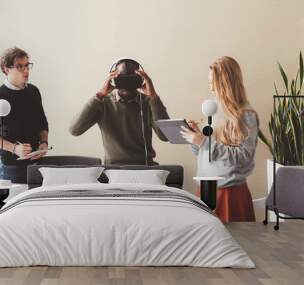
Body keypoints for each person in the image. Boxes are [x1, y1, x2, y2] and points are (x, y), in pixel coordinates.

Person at [181, 56, 257, 222]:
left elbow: (243, 157)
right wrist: (195, 138)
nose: (211, 88)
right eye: (209, 83)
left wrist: (203, 142)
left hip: (230, 194)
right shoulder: (213, 109)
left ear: (226, 83)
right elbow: (205, 152)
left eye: (213, 83)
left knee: (236, 243)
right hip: (205, 190)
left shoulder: (246, 115)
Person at [69, 59, 170, 165]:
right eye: (122, 79)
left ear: (140, 80)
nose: (126, 84)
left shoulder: (148, 102)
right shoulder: (103, 103)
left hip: (145, 166)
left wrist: (153, 97)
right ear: (112, 79)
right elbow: (74, 130)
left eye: (130, 79)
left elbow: (165, 136)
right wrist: (99, 95)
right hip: (113, 169)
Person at [0, 47, 49, 183]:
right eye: (20, 67)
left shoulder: (34, 91)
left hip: (37, 166)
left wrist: (44, 143)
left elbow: (42, 122)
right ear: (6, 69)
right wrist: (14, 148)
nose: (26, 70)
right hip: (12, 169)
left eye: (27, 65)